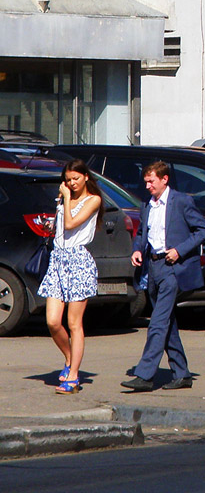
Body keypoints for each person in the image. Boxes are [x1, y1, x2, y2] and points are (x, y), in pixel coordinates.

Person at [122, 161, 205, 392]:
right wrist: (138, 249)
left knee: (158, 323)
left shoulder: (182, 201)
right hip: (153, 268)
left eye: (151, 181)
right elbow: (142, 232)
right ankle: (182, 374)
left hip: (173, 268)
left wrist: (179, 250)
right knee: (167, 323)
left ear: (164, 179)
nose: (148, 186)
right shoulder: (147, 205)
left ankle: (145, 375)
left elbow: (203, 230)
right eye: (146, 182)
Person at [38, 159, 103, 394]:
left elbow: (73, 222)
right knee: (53, 322)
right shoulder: (64, 199)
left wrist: (65, 198)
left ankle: (74, 376)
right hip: (58, 260)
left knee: (74, 323)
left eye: (75, 178)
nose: (71, 183)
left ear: (86, 177)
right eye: (67, 180)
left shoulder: (93, 200)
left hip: (78, 263)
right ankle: (69, 357)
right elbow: (61, 228)